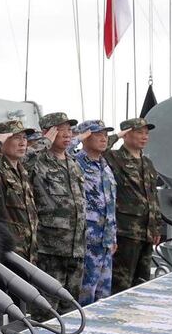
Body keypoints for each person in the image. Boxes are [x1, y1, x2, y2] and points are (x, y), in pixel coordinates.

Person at [23, 112, 86, 318]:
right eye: (61, 130)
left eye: (69, 130)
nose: (68, 134)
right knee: (46, 311)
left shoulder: (73, 163)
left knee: (71, 308)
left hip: (76, 247)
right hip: (49, 248)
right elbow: (20, 164)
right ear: (47, 133)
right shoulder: (37, 160)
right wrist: (43, 143)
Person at [105, 117, 162, 293]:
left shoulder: (148, 163)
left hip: (146, 232)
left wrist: (157, 227)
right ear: (126, 135)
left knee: (143, 282)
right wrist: (117, 135)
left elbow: (153, 197)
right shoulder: (114, 158)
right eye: (139, 132)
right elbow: (99, 148)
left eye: (146, 133)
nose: (144, 137)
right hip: (125, 232)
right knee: (121, 284)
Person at [71, 120, 117, 305]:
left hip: (105, 241)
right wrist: (78, 138)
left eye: (105, 135)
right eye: (98, 135)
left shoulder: (105, 166)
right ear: (86, 137)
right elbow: (59, 152)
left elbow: (110, 203)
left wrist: (113, 237)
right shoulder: (76, 162)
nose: (104, 138)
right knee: (85, 295)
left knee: (103, 296)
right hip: (87, 240)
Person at [0, 120, 38, 263]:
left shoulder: (22, 170)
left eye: (24, 138)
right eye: (16, 137)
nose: (23, 143)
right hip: (7, 253)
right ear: (0, 141)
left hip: (29, 251)